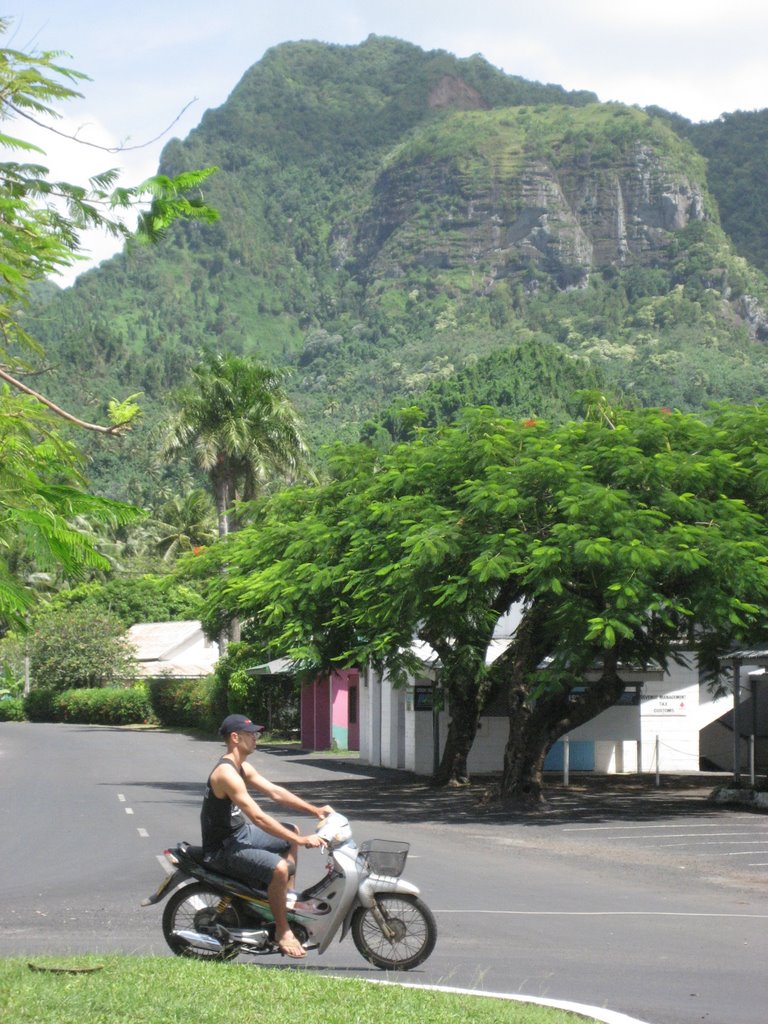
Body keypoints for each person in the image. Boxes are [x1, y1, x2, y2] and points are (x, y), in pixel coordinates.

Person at [201, 713, 333, 959]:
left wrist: (315, 810)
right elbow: (259, 818)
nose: (255, 738)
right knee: (280, 868)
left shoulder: (242, 767)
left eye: (255, 734)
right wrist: (301, 842)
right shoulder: (226, 773)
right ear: (235, 737)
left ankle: (285, 899)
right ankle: (282, 931)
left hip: (239, 833)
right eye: (251, 734)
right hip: (223, 847)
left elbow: (275, 792)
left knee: (291, 831)